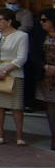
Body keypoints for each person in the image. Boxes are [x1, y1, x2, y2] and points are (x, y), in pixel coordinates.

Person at [0, 7, 28, 145]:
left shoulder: (21, 36)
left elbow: (21, 58)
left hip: (13, 74)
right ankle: (0, 133)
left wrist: (5, 71)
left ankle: (19, 136)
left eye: (0, 20)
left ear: (9, 21)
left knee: (16, 107)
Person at [35, 9, 55, 151]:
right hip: (47, 76)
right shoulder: (41, 36)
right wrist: (44, 66)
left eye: (44, 20)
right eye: (40, 20)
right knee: (51, 106)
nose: (42, 23)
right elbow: (34, 54)